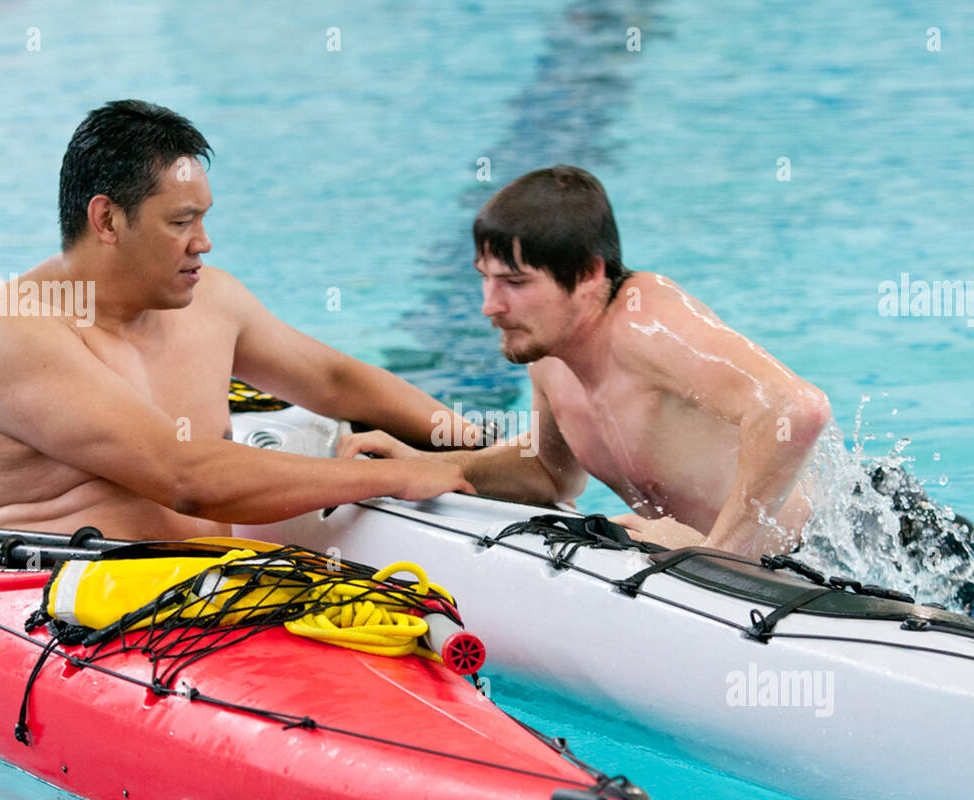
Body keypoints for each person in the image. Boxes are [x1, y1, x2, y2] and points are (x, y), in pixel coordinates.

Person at [0, 100, 477, 540]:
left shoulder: (210, 300)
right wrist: (393, 476)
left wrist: (474, 451)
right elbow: (185, 478)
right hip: (56, 604)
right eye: (182, 222)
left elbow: (336, 383)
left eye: (203, 217)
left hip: (205, 592)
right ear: (107, 219)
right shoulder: (12, 331)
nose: (203, 242)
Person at [339, 165, 831, 559]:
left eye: (514, 283)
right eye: (484, 279)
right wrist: (432, 466)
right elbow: (552, 473)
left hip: (850, 547)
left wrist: (716, 556)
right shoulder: (550, 350)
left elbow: (797, 409)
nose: (489, 305)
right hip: (778, 560)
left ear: (589, 275)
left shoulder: (646, 323)